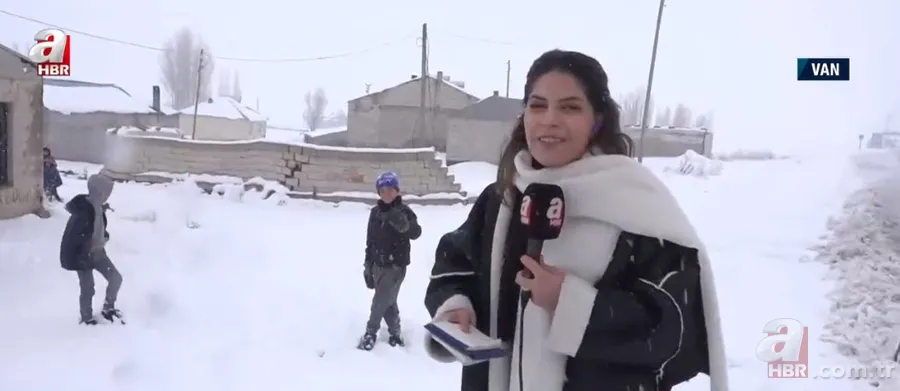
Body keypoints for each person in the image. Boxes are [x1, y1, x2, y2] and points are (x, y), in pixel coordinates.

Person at [423, 49, 729, 391]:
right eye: (537, 105)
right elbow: (455, 264)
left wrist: (571, 303)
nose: (549, 119)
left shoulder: (639, 206)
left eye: (569, 107)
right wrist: (456, 308)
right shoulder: (502, 199)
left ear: (597, 120)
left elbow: (673, 333)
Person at [358, 171, 422, 350]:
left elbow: (416, 232)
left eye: (390, 189)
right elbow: (370, 241)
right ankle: (395, 333)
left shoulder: (405, 211)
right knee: (388, 301)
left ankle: (370, 332)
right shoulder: (375, 213)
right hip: (377, 265)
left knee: (380, 300)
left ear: (397, 190)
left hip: (396, 266)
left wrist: (405, 226)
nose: (386, 193)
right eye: (383, 190)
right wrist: (367, 265)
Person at [59, 174, 124, 325]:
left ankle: (108, 308)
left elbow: (98, 229)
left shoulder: (98, 208)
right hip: (82, 256)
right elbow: (74, 238)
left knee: (116, 278)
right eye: (106, 192)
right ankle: (86, 317)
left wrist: (104, 237)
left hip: (98, 253)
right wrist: (85, 251)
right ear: (97, 192)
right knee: (88, 288)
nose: (107, 196)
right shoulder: (83, 212)